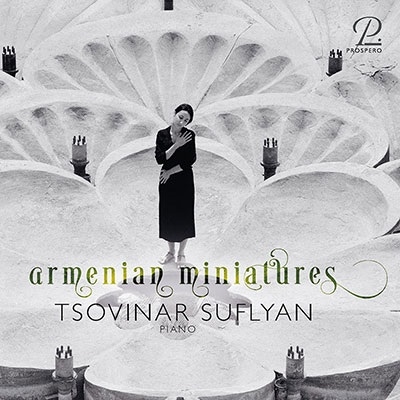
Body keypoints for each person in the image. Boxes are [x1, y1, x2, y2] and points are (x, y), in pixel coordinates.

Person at [155, 104, 196, 265]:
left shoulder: (189, 135)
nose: (182, 122)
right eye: (181, 117)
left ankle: (181, 254)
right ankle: (171, 252)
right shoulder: (162, 134)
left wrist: (170, 172)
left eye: (186, 120)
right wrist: (177, 144)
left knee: (184, 216)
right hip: (166, 181)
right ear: (174, 114)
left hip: (183, 178)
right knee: (168, 215)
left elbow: (190, 160)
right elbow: (160, 159)